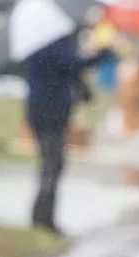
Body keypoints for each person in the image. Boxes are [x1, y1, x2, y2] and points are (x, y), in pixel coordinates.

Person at [25, 34, 108, 233]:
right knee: (52, 165)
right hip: (51, 114)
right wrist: (102, 54)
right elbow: (74, 64)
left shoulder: (35, 45)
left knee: (50, 164)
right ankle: (43, 219)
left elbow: (70, 70)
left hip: (40, 111)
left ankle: (42, 216)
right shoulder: (53, 47)